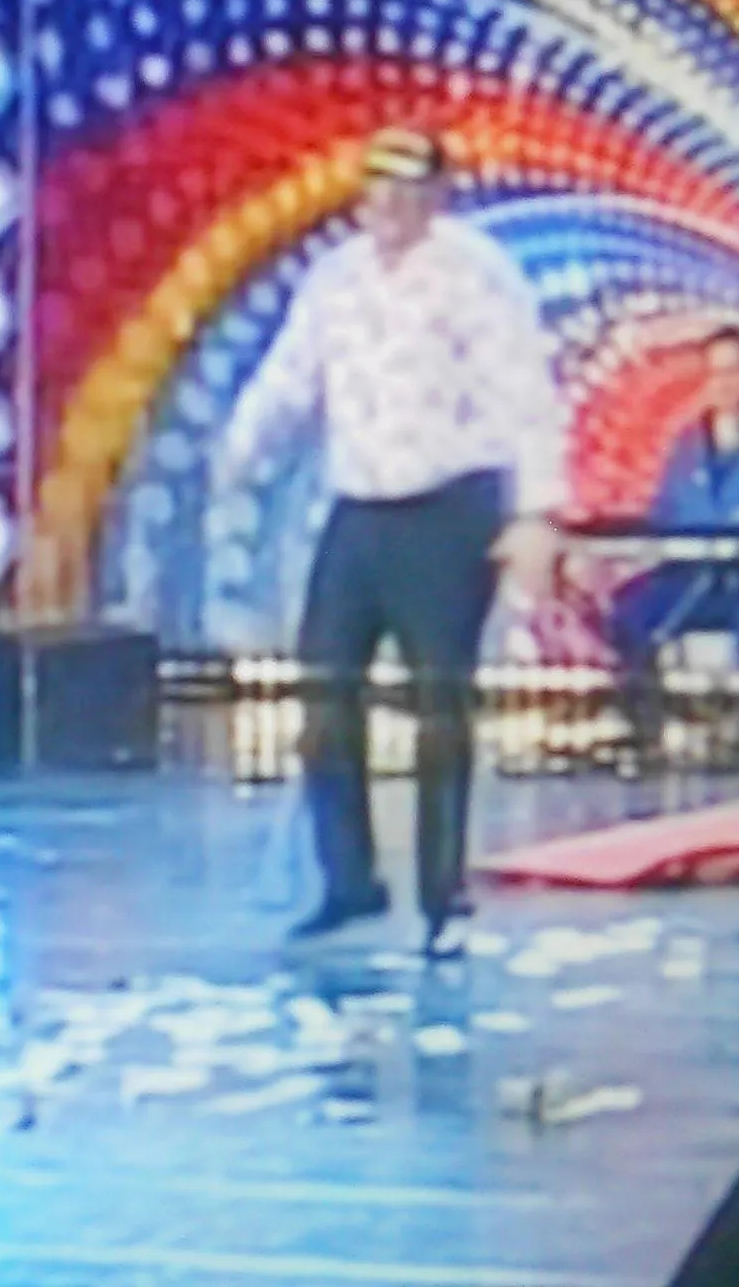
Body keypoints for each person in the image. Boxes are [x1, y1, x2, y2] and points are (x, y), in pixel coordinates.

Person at [211, 127, 568, 960]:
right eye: (379, 190)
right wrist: (241, 448)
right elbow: (291, 373)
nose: (391, 207)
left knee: (438, 702)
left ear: (439, 196)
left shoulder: (478, 274)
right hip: (360, 504)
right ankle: (350, 880)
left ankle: (442, 894)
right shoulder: (336, 278)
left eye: (410, 191)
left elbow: (524, 393)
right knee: (325, 685)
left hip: (449, 506)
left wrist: (537, 512)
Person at [600, 327, 739, 772]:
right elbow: (664, 515)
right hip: (692, 576)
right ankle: (646, 731)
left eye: (733, 371)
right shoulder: (687, 446)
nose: (724, 383)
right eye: (715, 373)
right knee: (630, 611)